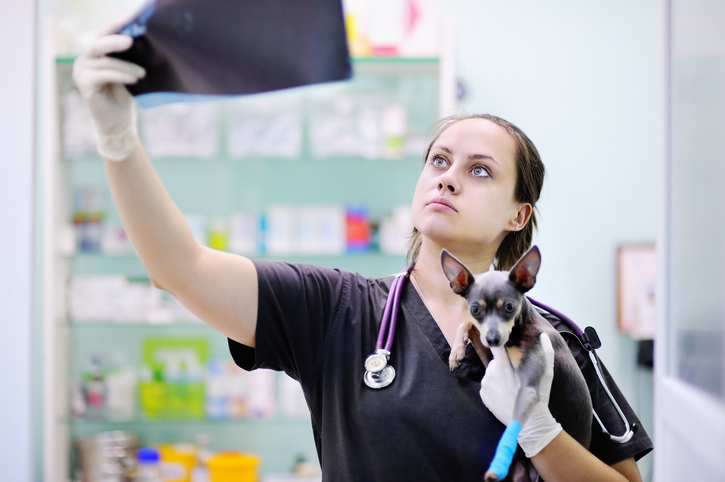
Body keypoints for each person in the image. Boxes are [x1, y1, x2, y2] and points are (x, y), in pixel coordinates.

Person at [73, 29, 653, 481]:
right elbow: (180, 269)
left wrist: (538, 430)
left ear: (517, 215)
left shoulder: (558, 345)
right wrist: (118, 141)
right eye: (438, 161)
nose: (448, 179)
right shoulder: (338, 312)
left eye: (479, 170)